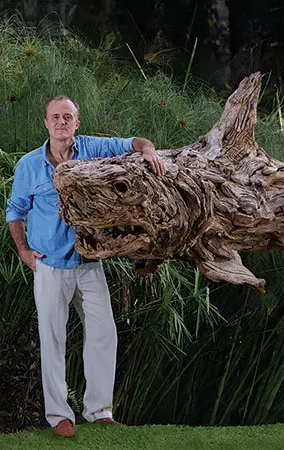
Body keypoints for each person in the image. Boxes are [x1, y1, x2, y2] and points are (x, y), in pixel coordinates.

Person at [5, 96, 165, 438]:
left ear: (76, 123)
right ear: (45, 123)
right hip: (49, 267)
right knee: (52, 340)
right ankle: (59, 416)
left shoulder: (93, 148)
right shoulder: (30, 165)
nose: (61, 122)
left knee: (104, 333)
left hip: (90, 263)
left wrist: (149, 150)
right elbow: (14, 211)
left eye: (68, 117)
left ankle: (99, 411)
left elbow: (135, 142)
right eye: (55, 117)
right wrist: (23, 252)